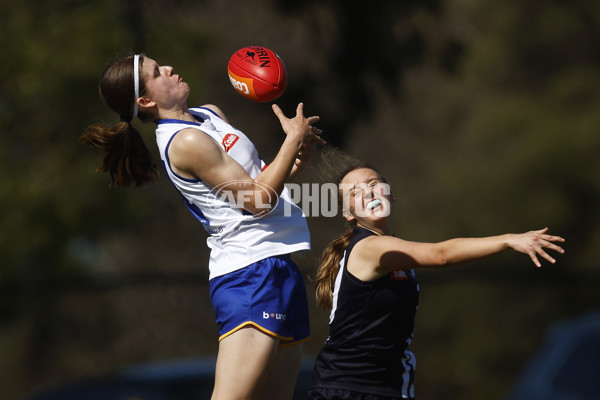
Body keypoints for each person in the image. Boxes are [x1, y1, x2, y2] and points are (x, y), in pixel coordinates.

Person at [81, 53, 325, 400]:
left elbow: (256, 181)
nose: (168, 67)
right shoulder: (184, 142)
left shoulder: (209, 114)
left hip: (279, 263)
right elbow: (256, 201)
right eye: (156, 71)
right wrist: (290, 141)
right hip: (248, 273)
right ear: (146, 100)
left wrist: (294, 157)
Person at [307, 148, 565, 400]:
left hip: (378, 385)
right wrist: (508, 240)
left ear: (390, 194)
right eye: (355, 192)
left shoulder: (393, 250)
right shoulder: (369, 248)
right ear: (348, 213)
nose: (368, 191)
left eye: (374, 183)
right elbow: (442, 254)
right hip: (350, 388)